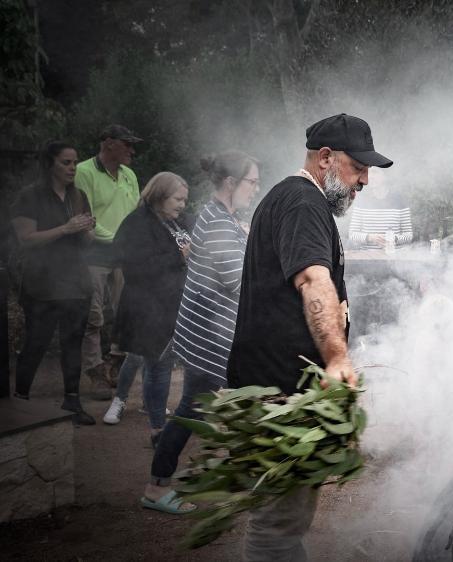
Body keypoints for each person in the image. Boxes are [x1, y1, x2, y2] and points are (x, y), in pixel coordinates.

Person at [227, 114, 391, 560]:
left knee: (284, 522)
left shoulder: (298, 201)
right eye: (359, 168)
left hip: (284, 388)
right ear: (326, 158)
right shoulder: (302, 203)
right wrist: (337, 357)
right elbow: (313, 279)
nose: (365, 180)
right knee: (277, 527)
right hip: (278, 393)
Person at [141, 150, 259, 514]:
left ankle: (246, 475)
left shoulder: (218, 214)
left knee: (221, 405)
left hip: (206, 334)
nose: (255, 189)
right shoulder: (221, 224)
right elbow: (242, 285)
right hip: (211, 339)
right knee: (194, 411)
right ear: (230, 183)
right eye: (251, 182)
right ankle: (156, 487)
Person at [9, 141, 97, 424]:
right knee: (36, 343)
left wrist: (86, 230)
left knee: (73, 345)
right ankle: (19, 401)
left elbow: (86, 242)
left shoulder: (79, 195)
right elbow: (26, 239)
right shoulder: (30, 196)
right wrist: (65, 228)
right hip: (43, 285)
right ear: (50, 164)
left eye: (74, 162)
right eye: (66, 162)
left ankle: (72, 402)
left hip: (76, 282)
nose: (72, 168)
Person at [102, 173, 191, 437]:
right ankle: (157, 428)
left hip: (172, 306)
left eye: (185, 200)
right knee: (157, 366)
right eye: (178, 199)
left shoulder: (176, 222)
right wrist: (178, 255)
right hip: (147, 309)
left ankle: (158, 419)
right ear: (159, 196)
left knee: (162, 365)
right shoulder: (136, 224)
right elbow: (134, 268)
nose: (183, 205)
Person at [74, 124, 142, 399]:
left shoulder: (129, 175)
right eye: (127, 144)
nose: (132, 150)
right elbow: (85, 217)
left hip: (124, 256)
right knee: (93, 316)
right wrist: (117, 239)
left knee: (126, 313)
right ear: (109, 143)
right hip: (94, 254)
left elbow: (137, 213)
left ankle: (115, 362)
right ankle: (94, 371)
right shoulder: (84, 172)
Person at [347, 180, 413, 250]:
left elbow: (408, 235)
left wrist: (394, 238)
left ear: (385, 175)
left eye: (375, 172)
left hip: (395, 256)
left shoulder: (400, 200)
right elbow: (352, 235)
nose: (371, 176)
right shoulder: (361, 201)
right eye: (370, 173)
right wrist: (370, 237)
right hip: (367, 256)